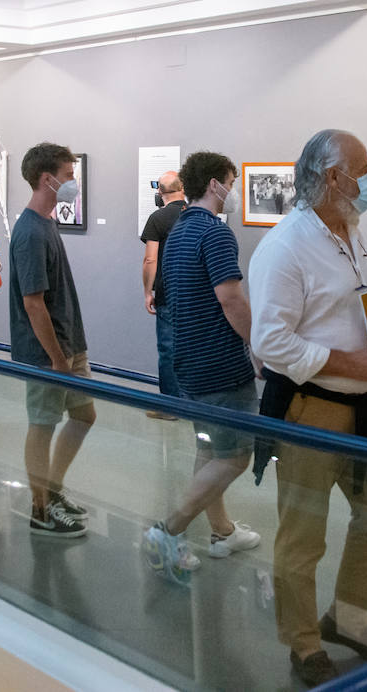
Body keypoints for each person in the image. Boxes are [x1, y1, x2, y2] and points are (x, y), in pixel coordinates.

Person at [250, 129, 367, 686]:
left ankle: (349, 619)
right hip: (311, 410)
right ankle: (303, 642)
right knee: (304, 535)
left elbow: (363, 307)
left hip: (366, 409)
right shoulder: (286, 246)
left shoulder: (355, 234)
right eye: (362, 169)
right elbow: (269, 343)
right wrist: (349, 363)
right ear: (332, 177)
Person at [141, 152, 261, 582]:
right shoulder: (215, 234)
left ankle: (221, 531)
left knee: (210, 449)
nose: (233, 191)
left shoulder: (178, 231)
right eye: (232, 181)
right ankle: (167, 531)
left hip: (188, 362)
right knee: (236, 455)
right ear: (215, 184)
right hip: (220, 364)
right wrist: (258, 348)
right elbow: (231, 299)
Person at [7, 143, 94, 538]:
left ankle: (53, 490)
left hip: (69, 346)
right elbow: (32, 303)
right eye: (70, 175)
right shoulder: (28, 232)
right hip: (49, 354)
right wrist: (57, 357)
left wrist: (70, 350)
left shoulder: (47, 224)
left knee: (83, 415)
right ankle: (40, 508)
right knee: (42, 424)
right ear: (48, 179)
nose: (74, 182)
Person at [140, 169, 186, 412]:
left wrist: (148, 291)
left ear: (160, 192)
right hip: (194, 294)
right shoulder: (193, 214)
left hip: (168, 294)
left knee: (168, 349)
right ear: (183, 190)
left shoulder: (157, 218)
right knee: (192, 346)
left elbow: (150, 260)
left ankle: (170, 406)